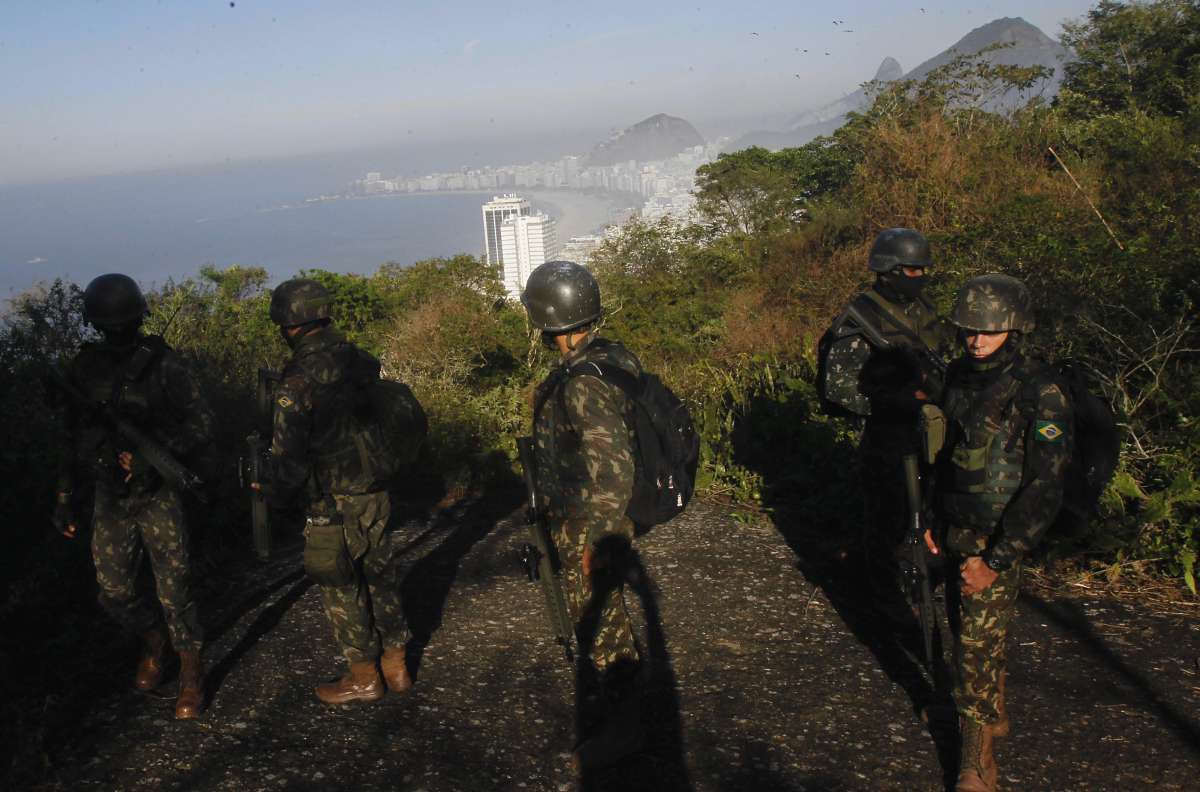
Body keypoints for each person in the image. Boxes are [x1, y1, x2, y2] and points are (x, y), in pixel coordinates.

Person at [926, 273, 1071, 792]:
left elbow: (1045, 486)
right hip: (954, 528)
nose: (977, 339)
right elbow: (943, 457)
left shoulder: (1041, 392)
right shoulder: (958, 378)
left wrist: (998, 558)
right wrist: (930, 521)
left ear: (1014, 328)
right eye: (970, 329)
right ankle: (995, 712)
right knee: (967, 636)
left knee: (974, 652)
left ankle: (978, 760)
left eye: (989, 330)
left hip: (997, 539)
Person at [52, 273, 214, 719]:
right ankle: (153, 640)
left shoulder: (164, 365)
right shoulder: (84, 370)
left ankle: (191, 672)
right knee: (114, 591)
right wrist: (64, 495)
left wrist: (158, 455)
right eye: (111, 323)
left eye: (123, 322)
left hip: (158, 492)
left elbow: (202, 422)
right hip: (111, 494)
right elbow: (70, 435)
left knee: (175, 589)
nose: (117, 330)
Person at [258, 278, 414, 704]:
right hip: (375, 488)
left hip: (332, 499)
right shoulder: (355, 359)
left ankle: (364, 678)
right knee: (380, 574)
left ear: (289, 324)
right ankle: (396, 667)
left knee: (341, 586)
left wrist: (271, 490)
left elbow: (288, 459)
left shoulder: (297, 383)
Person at [521, 260, 645, 770]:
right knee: (596, 614)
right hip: (580, 515)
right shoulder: (609, 356)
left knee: (601, 616)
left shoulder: (582, 383)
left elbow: (613, 472)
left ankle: (628, 726)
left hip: (588, 522)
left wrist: (599, 541)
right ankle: (617, 710)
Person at [821, 228, 954, 584]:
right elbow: (838, 388)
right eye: (913, 271)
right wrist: (895, 403)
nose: (920, 277)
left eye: (923, 270)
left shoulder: (924, 310)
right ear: (890, 270)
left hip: (934, 434)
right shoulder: (862, 318)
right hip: (887, 439)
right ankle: (882, 594)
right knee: (887, 520)